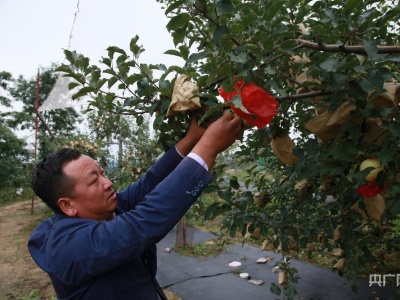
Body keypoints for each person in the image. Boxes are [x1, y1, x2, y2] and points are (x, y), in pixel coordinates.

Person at [28, 112, 243, 300]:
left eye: (102, 172)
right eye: (94, 180)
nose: (108, 182)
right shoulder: (70, 248)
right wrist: (209, 147)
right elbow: (141, 225)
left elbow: (148, 184)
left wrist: (192, 139)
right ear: (67, 205)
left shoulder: (100, 212)